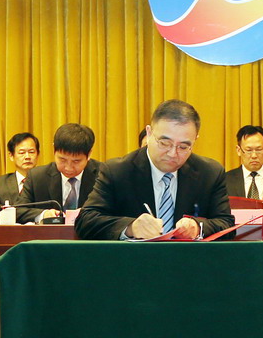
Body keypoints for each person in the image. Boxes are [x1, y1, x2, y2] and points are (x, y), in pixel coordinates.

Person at [75, 100, 234, 240]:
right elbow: (86, 221)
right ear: (149, 133)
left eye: (183, 147)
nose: (173, 153)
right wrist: (131, 228)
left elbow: (226, 223)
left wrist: (198, 228)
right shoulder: (117, 171)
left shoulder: (209, 173)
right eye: (164, 143)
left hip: (189, 261)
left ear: (195, 140)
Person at [16, 124, 101, 223]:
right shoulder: (37, 177)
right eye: (62, 159)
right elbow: (18, 211)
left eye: (76, 161)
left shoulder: (103, 175)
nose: (68, 167)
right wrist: (43, 214)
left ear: (89, 154)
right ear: (54, 149)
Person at [0, 132, 40, 207]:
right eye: (22, 153)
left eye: (31, 152)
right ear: (11, 156)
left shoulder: (47, 181)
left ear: (38, 154)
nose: (27, 157)